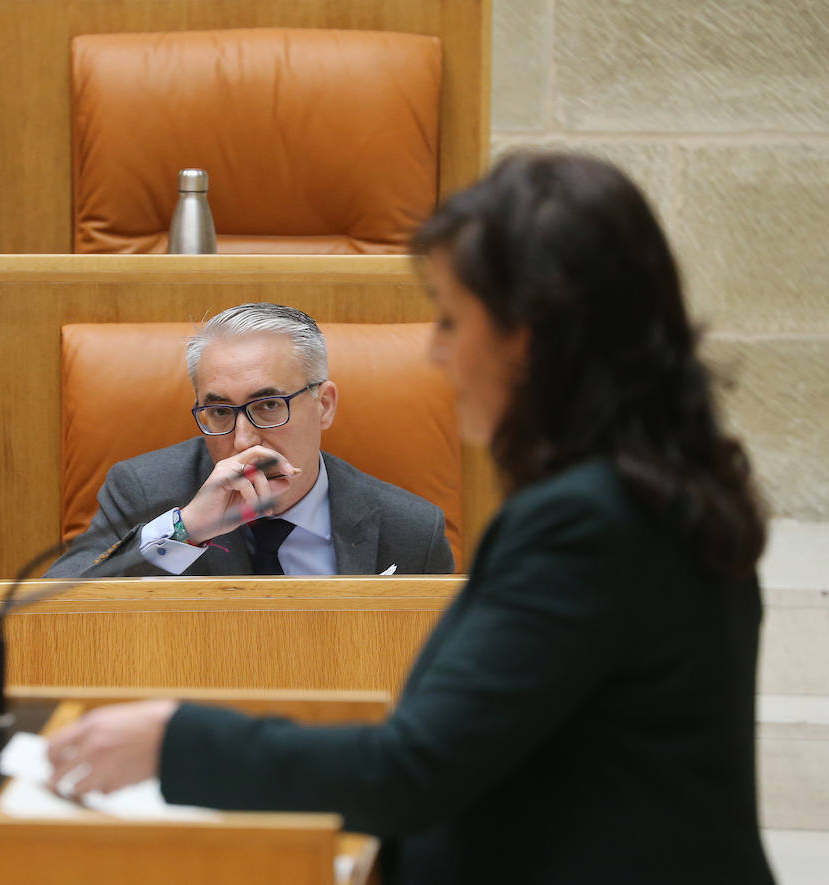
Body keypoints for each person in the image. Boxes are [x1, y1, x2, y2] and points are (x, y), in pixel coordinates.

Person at [46, 153, 775, 884]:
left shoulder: (590, 523)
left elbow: (415, 766)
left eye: (454, 320)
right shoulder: (651, 486)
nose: (437, 350)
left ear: (532, 334)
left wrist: (175, 741)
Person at [43, 302, 455, 578]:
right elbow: (53, 612)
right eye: (220, 411)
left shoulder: (412, 530)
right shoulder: (144, 490)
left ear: (324, 405)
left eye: (269, 405)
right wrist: (188, 530)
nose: (243, 439)